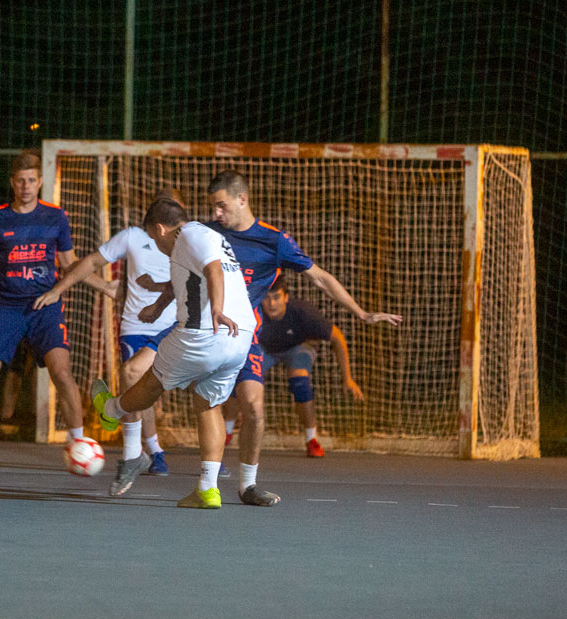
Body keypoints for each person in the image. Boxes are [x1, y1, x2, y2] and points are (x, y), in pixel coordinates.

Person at [145, 170, 401, 505]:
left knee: (253, 406)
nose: (216, 213)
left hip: (243, 335)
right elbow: (182, 273)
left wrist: (361, 313)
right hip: (204, 328)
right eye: (213, 207)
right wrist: (157, 306)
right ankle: (145, 446)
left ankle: (247, 486)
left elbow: (320, 278)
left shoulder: (274, 241)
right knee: (152, 375)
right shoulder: (207, 233)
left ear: (242, 199)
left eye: (221, 205)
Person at [90, 198, 256, 508]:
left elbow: (214, 270)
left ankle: (111, 410)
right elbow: (185, 279)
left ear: (160, 229)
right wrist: (158, 306)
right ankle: (207, 490)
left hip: (205, 331)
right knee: (208, 404)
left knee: (149, 381)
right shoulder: (198, 240)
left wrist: (217, 309)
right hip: (240, 337)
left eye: (154, 239)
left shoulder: (191, 234)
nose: (157, 246)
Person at [0, 152, 113, 469]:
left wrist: (105, 286)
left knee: (62, 373)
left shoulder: (55, 216)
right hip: (6, 307)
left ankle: (78, 443)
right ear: (12, 183)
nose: (26, 186)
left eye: (31, 180)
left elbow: (70, 264)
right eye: (20, 181)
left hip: (45, 306)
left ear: (40, 182)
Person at [33, 189, 183, 478]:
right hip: (137, 328)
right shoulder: (132, 237)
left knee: (199, 384)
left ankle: (211, 458)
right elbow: (90, 263)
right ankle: (150, 452)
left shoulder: (192, 242)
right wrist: (59, 290)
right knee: (139, 386)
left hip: (175, 326)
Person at [258, 277, 365, 457]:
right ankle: (228, 430)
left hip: (298, 347)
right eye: (267, 298)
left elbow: (338, 338)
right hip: (265, 349)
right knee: (244, 379)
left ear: (286, 297)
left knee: (300, 382)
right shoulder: (254, 313)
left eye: (276, 297)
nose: (272, 303)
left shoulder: (303, 312)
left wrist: (348, 378)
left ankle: (311, 439)